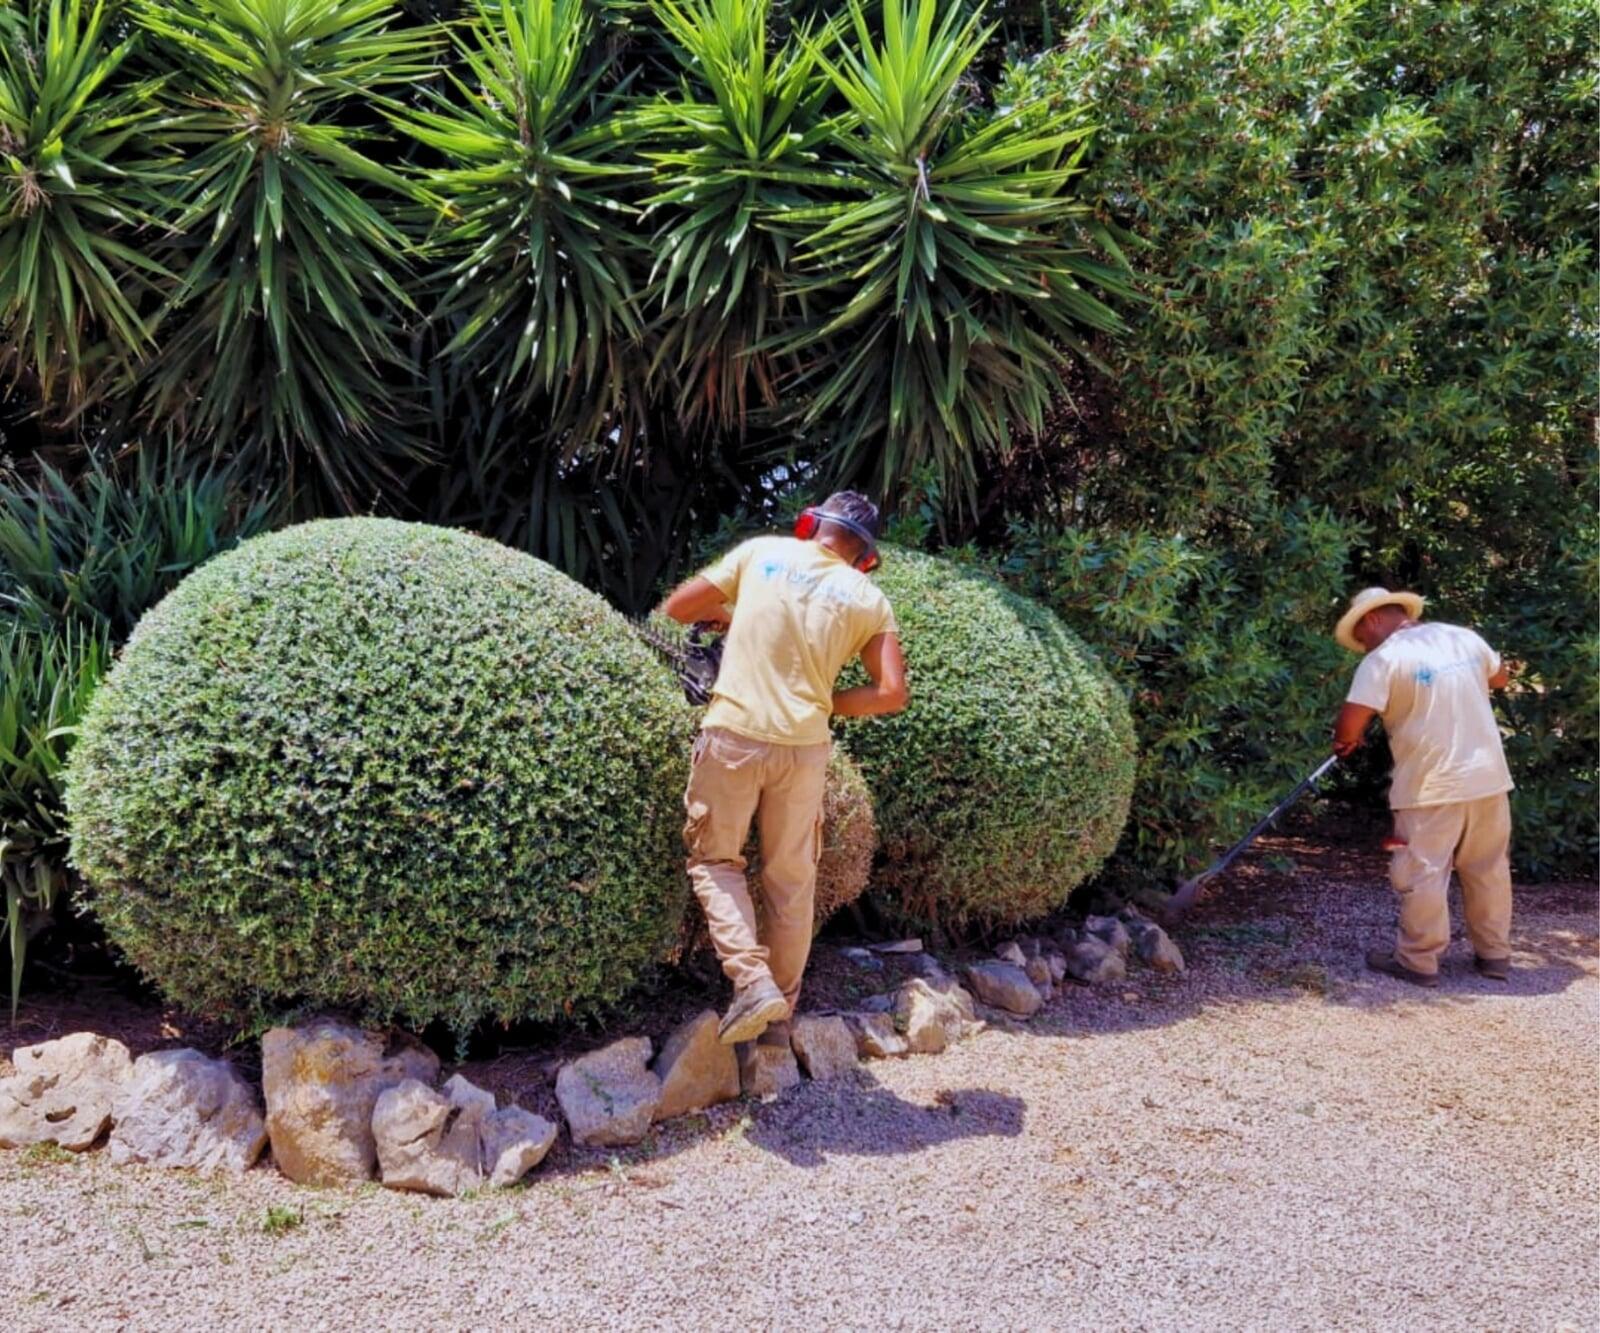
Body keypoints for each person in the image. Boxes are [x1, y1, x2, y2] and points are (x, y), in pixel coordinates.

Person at [660, 493, 908, 1045]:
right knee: (791, 883)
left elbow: (677, 609)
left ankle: (750, 981)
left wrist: (736, 616)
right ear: (864, 555)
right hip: (804, 751)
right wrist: (825, 702)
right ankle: (780, 1021)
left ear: (812, 524)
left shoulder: (761, 553)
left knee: (715, 861)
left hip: (734, 736)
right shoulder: (869, 597)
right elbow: (891, 693)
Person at [1330, 587, 1515, 987]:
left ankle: (1418, 960)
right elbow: (1500, 677)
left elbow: (1350, 723)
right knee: (1489, 869)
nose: (1362, 646)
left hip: (1430, 784)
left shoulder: (1384, 659)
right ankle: (1495, 955)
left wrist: (1347, 739)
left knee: (1424, 872)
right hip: (1488, 777)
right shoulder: (1461, 637)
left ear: (1371, 620)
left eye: (1360, 637)